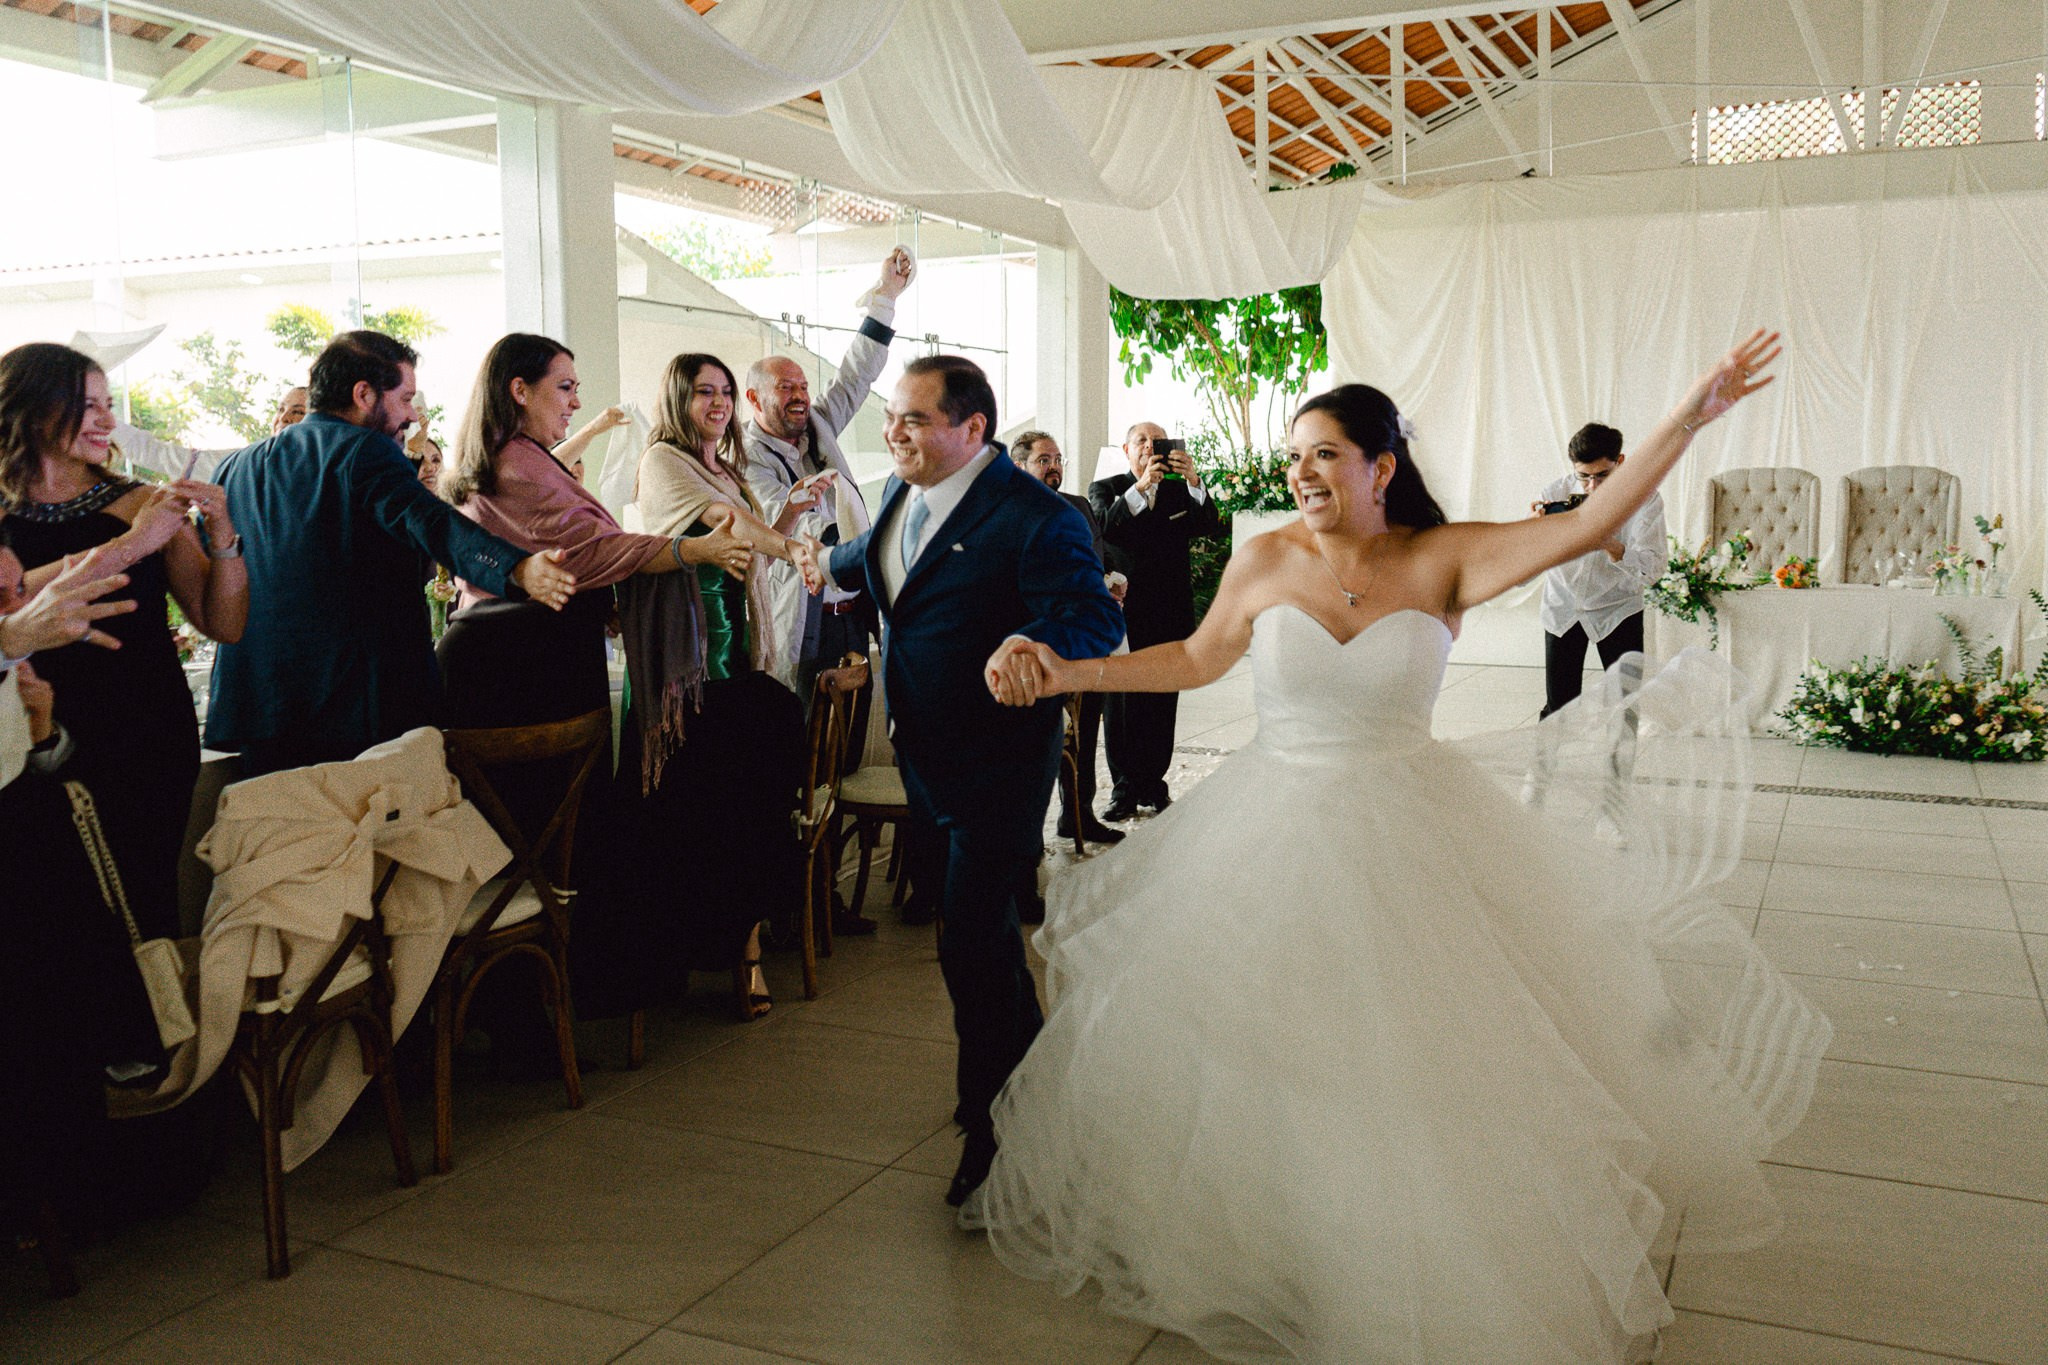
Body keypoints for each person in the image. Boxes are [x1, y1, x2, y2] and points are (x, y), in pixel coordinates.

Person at [976, 334, 1833, 1363]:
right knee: (1266, 1052)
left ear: (1381, 468)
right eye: (1296, 456)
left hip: (1408, 830)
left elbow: (1599, 520)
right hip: (1266, 832)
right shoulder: (1263, 558)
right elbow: (1196, 659)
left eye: (1326, 454)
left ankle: (1387, 1251)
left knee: (1410, 1059)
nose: (1302, 473)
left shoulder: (1445, 557)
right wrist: (1068, 673)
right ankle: (1271, 1240)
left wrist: (1686, 417)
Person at [793, 356, 1123, 1210]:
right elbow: (871, 561)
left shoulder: (1034, 516)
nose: (893, 432)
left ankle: (993, 1130)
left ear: (972, 428)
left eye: (911, 418)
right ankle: (1033, 1083)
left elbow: (1094, 617)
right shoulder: (907, 492)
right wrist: (818, 561)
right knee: (979, 947)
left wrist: (1029, 642)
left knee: (969, 941)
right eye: (892, 417)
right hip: (922, 758)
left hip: (998, 764)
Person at [205, 330, 576, 775]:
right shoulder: (363, 450)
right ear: (364, 395)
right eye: (404, 399)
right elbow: (431, 522)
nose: (411, 417)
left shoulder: (233, 467)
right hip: (356, 716)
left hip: (257, 712)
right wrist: (517, 568)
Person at [0, 341, 248, 939]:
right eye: (89, 406)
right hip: (24, 734)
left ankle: (151, 1030)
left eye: (108, 404)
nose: (109, 420)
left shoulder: (142, 502)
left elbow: (224, 626)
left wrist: (222, 536)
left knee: (140, 902)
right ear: (35, 411)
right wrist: (131, 545)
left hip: (143, 736)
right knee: (42, 912)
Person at [630, 352, 817, 1018]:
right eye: (703, 391)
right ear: (677, 398)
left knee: (759, 804)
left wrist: (790, 534)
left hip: (740, 662)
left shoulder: (729, 469)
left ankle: (747, 948)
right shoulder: (663, 462)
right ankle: (716, 955)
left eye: (725, 391)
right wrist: (791, 548)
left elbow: (750, 527)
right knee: (709, 820)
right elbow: (726, 524)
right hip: (693, 677)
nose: (717, 401)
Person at [743, 252, 910, 732]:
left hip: (851, 612)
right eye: (785, 388)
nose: (799, 395)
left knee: (853, 731)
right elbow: (792, 522)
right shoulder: (747, 455)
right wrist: (868, 546)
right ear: (754, 398)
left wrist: (886, 299)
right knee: (799, 729)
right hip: (804, 612)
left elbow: (855, 377)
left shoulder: (817, 423)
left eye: (802, 385)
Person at [1088, 421, 1223, 821]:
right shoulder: (1108, 488)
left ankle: (1153, 785)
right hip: (1124, 617)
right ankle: (1123, 790)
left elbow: (1210, 526)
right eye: (1141, 441)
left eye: (1156, 440)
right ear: (1127, 450)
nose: (1150, 447)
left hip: (1169, 616)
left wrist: (1195, 479)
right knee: (1123, 706)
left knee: (1162, 703)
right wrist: (1141, 487)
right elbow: (1105, 527)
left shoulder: (1181, 490)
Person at [1012, 430, 1124, 851]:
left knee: (1085, 729)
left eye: (1058, 458)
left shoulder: (1079, 506)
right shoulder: (1012, 512)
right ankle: (1026, 837)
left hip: (1086, 640)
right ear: (1019, 466)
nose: (1054, 465)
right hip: (1039, 642)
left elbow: (1102, 557)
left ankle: (1078, 813)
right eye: (1044, 459)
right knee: (1036, 742)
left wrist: (1112, 579)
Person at [1534, 422, 1666, 719]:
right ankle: (1546, 766)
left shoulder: (1646, 499)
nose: (1592, 487)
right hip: (1564, 607)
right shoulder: (1554, 493)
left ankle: (1619, 767)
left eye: (1602, 476)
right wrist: (1534, 533)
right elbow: (1527, 565)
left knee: (1625, 706)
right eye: (1584, 477)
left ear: (1620, 462)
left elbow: (1654, 568)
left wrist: (1613, 547)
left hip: (1618, 608)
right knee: (1559, 708)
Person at [113, 384, 308, 483]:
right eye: (280, 409)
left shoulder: (331, 473)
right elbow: (158, 454)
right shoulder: (245, 464)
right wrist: (105, 422)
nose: (283, 418)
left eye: (298, 412)